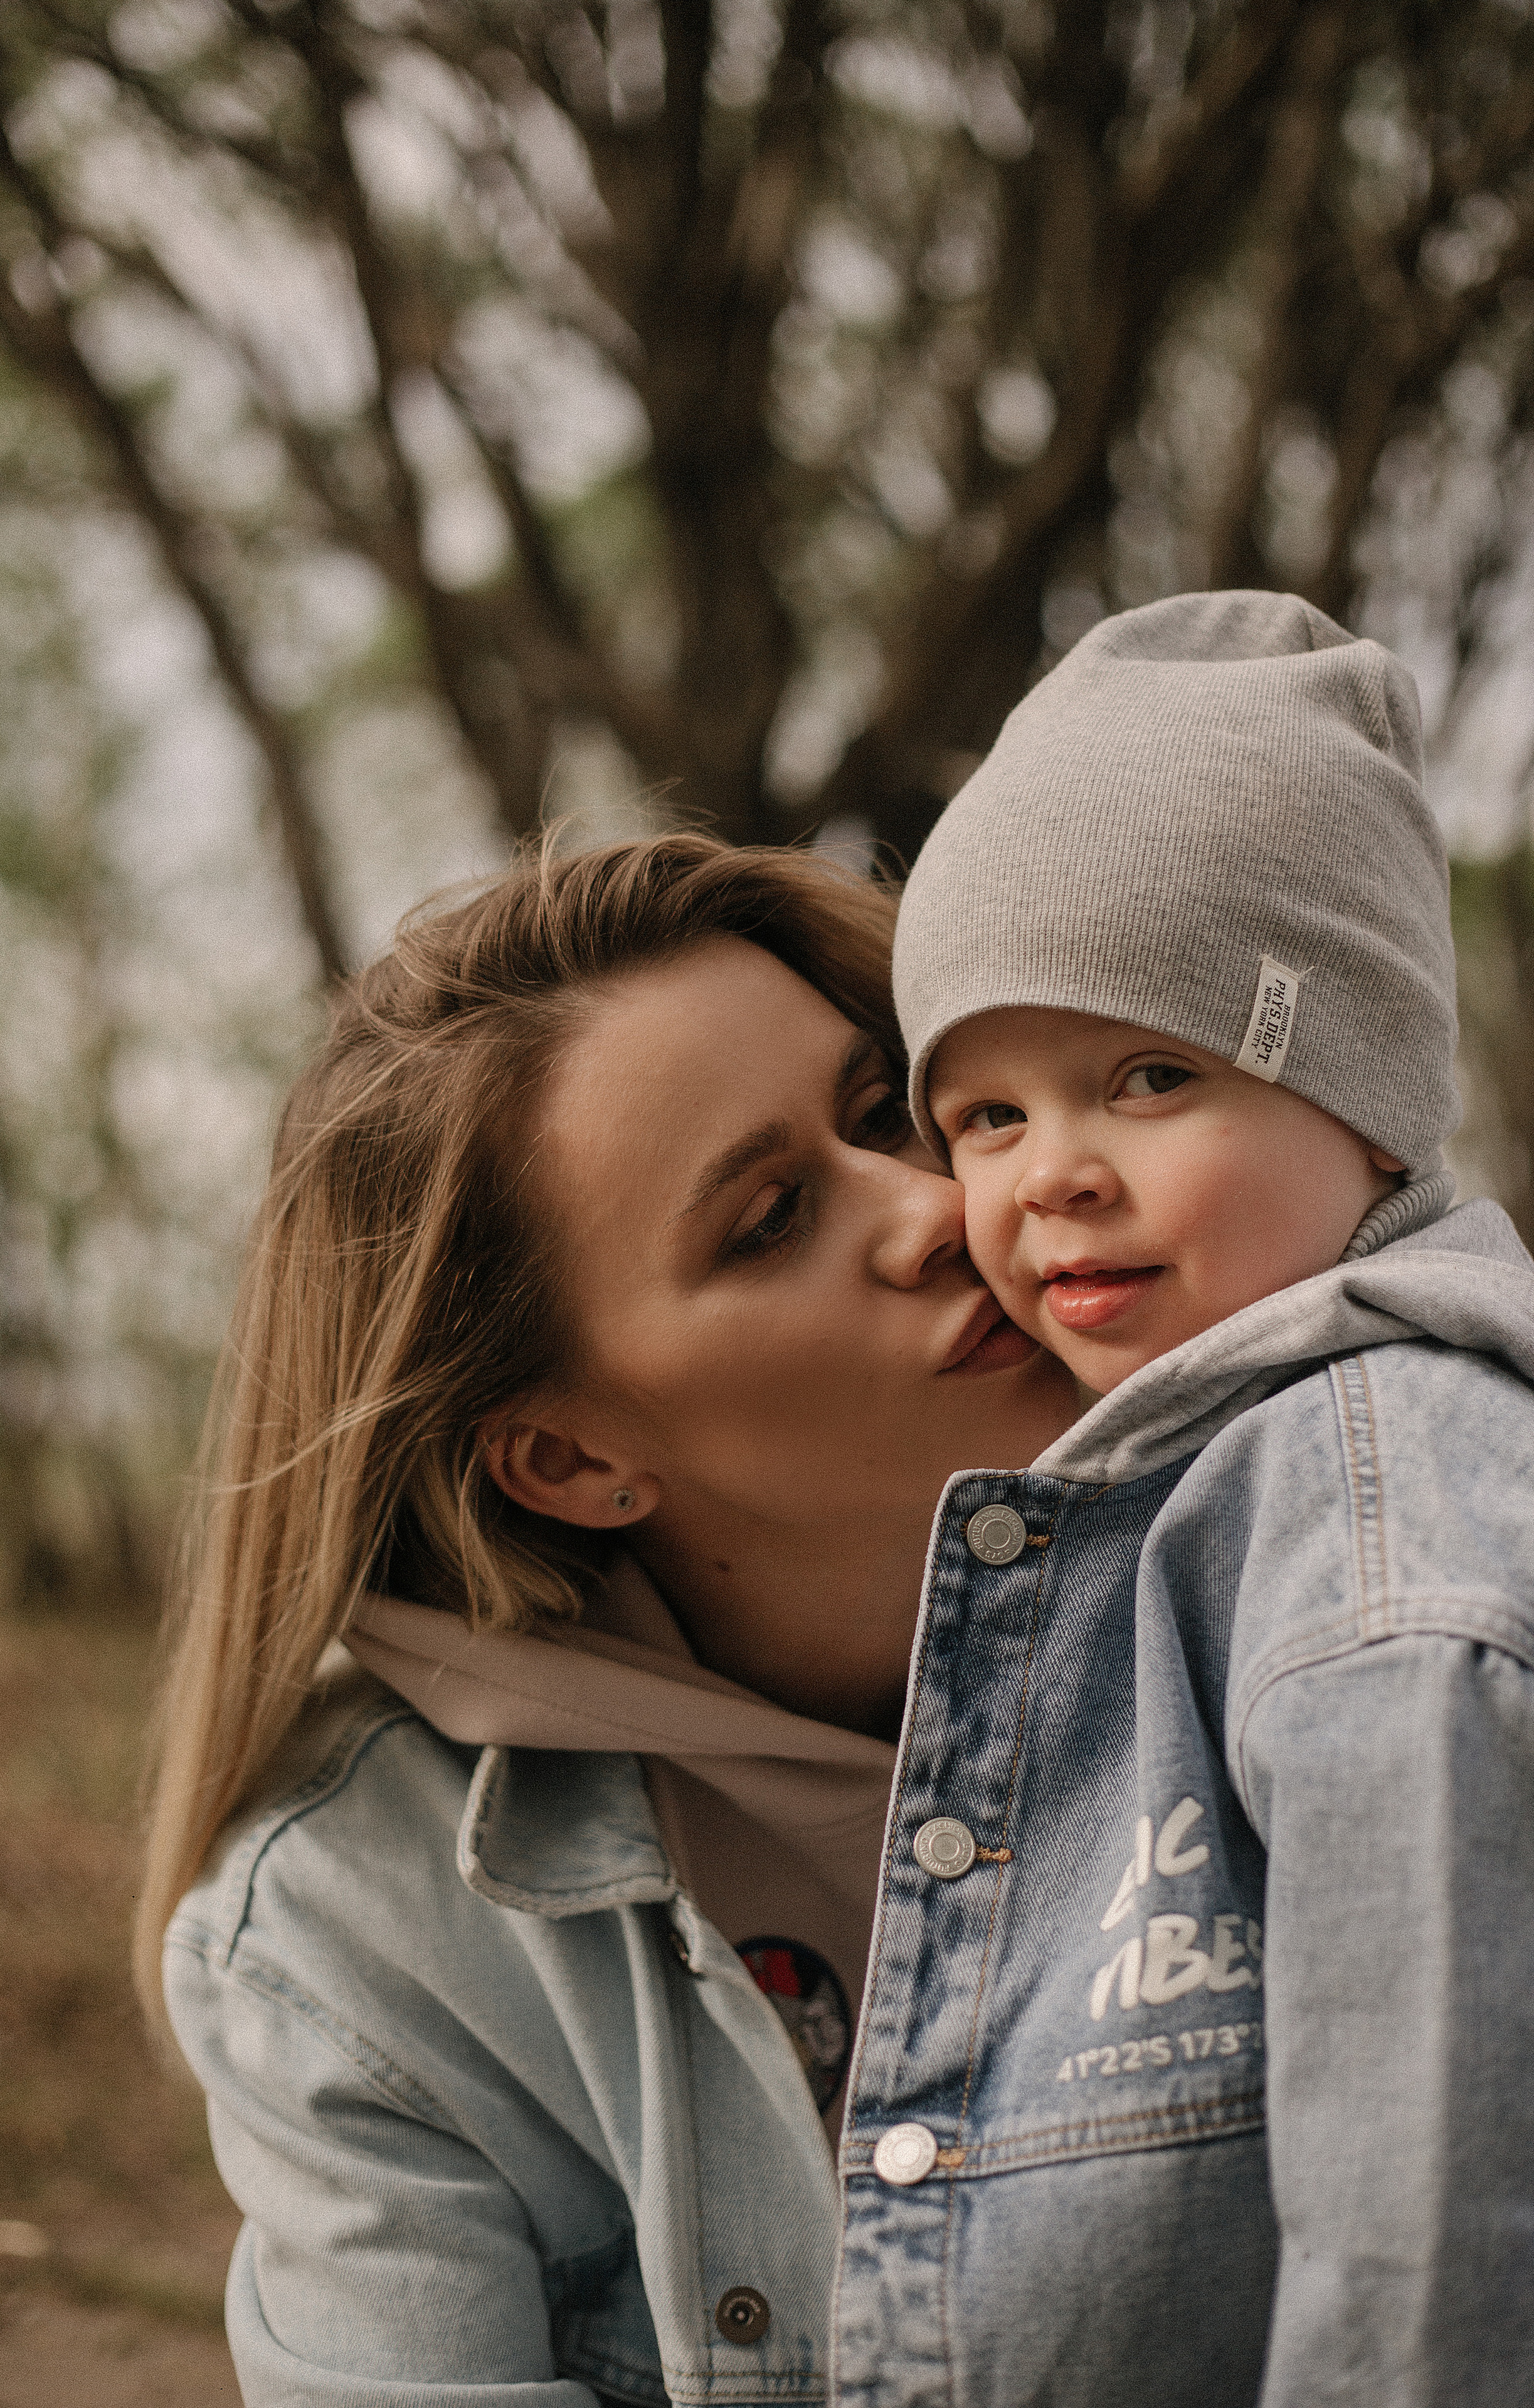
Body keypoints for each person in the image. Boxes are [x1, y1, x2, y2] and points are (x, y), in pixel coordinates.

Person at [138, 835, 1079, 2407]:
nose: (930, 1205)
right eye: (770, 1217)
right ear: (572, 1460)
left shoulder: (1329, 1595)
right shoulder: (354, 1932)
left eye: (880, 1112)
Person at [836, 591, 1534, 2407]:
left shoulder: (1381, 1519)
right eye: (982, 1114)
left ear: (1367, 1099)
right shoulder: (1205, 1470)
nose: (1051, 1174)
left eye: (1150, 1076)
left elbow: (1435, 2225)